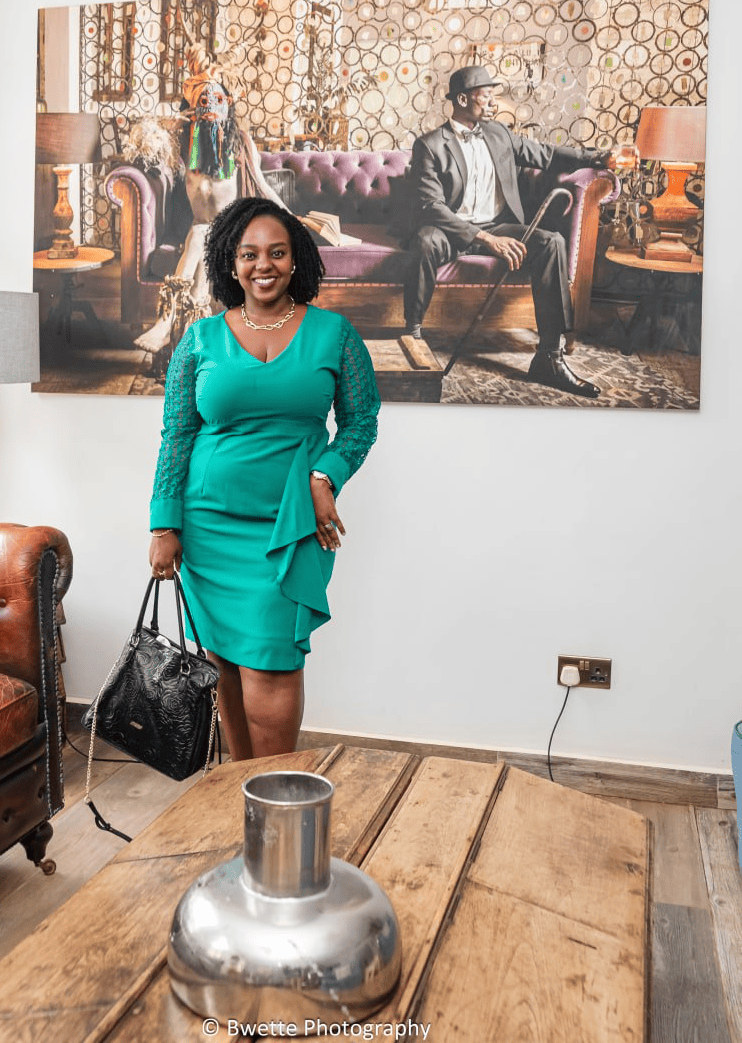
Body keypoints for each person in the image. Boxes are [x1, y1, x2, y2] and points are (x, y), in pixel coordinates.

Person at [148, 197, 380, 761]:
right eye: (249, 254)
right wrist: (164, 525)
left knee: (271, 663)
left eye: (277, 252)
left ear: (295, 259)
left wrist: (325, 477)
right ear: (231, 263)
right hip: (208, 527)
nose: (263, 265)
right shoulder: (200, 339)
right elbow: (177, 436)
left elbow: (361, 422)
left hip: (289, 525)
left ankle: (274, 793)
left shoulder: (335, 334)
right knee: (224, 663)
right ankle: (240, 790)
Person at [403, 64, 625, 398]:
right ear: (462, 99)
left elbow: (546, 155)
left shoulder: (499, 134)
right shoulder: (431, 144)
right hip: (451, 229)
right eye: (486, 95)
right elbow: (431, 206)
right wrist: (485, 239)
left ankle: (550, 357)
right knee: (424, 241)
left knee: (551, 242)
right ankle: (412, 335)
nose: (493, 102)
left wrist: (599, 158)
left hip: (497, 223)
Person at [135, 44, 287, 356]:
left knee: (202, 234)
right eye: (203, 102)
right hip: (203, 231)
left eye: (217, 100)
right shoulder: (184, 146)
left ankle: (166, 319)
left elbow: (261, 184)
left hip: (236, 230)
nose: (210, 109)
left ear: (228, 105)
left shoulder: (241, 144)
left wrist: (290, 217)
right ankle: (192, 335)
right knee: (201, 236)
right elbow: (151, 150)